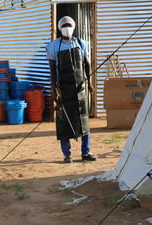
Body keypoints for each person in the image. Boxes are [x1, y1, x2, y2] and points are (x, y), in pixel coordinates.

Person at [46, 16, 97, 163]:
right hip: (63, 89)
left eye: (69, 25)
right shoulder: (53, 46)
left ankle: (86, 152)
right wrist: (54, 90)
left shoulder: (82, 44)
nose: (67, 28)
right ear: (60, 28)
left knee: (84, 121)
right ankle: (67, 154)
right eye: (64, 25)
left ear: (73, 27)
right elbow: (52, 70)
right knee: (64, 122)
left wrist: (90, 83)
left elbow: (87, 65)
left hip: (80, 89)